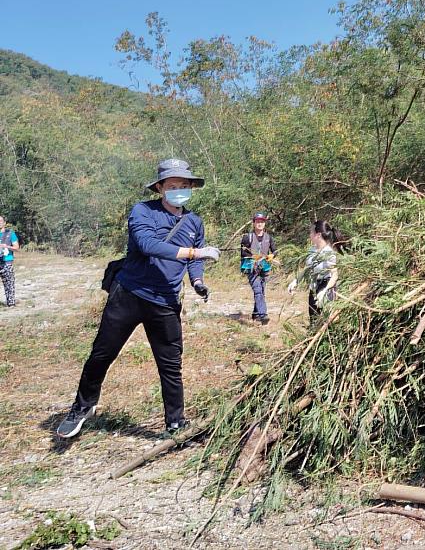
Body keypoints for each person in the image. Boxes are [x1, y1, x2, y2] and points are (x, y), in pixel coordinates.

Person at [57, 158, 221, 439]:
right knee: (102, 353)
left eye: (184, 185)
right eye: (173, 185)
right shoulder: (142, 211)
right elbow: (148, 245)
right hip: (129, 295)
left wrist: (197, 280)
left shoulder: (194, 221)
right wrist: (194, 253)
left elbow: (196, 258)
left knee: (171, 365)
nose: (179, 190)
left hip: (166, 301)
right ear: (159, 187)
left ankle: (176, 423)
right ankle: (82, 407)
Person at [287, 220, 343, 321]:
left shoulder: (329, 253)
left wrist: (325, 291)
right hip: (314, 287)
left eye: (311, 232)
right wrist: (296, 281)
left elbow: (334, 275)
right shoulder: (311, 250)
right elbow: (308, 268)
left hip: (327, 286)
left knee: (328, 320)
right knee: (314, 318)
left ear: (318, 235)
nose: (310, 235)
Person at [240, 212, 277, 325]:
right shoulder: (247, 237)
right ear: (254, 223)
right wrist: (253, 257)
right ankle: (263, 314)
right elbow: (242, 252)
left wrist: (272, 256)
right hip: (251, 268)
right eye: (258, 221)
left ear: (264, 223)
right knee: (257, 290)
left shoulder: (268, 237)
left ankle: (256, 313)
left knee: (261, 291)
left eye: (262, 221)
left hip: (264, 268)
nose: (260, 224)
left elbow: (275, 250)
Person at [0, 215, 20, 307]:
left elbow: (17, 248)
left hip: (7, 261)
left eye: (0, 221)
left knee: (9, 284)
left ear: (4, 223)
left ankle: (11, 304)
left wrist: (7, 246)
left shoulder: (10, 233)